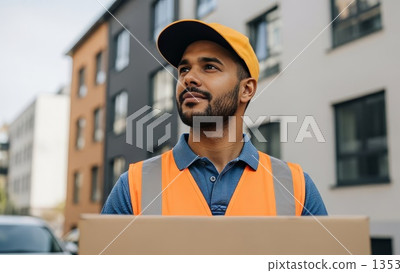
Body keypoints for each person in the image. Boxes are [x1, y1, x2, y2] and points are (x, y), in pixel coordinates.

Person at [102, 19, 327, 216]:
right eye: (183, 69)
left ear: (246, 90)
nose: (189, 78)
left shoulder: (296, 187)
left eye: (209, 67)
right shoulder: (133, 186)